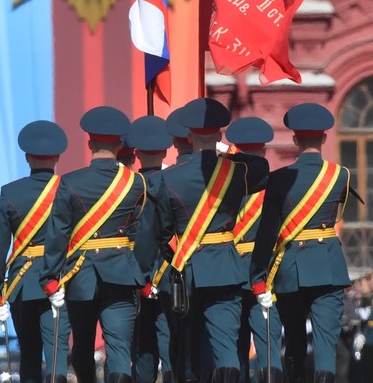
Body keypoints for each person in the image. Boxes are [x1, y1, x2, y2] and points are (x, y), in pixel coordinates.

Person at [134, 98, 270, 383]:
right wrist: (226, 154)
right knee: (227, 350)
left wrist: (146, 273)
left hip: (186, 272)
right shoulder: (236, 172)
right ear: (220, 136)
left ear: (187, 136)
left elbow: (157, 233)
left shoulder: (165, 180)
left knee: (188, 348)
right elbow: (262, 169)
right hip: (226, 268)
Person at [40, 106, 147, 383]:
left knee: (83, 347)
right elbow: (141, 231)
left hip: (80, 275)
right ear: (119, 143)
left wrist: (51, 276)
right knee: (120, 349)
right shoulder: (136, 184)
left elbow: (58, 233)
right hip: (122, 273)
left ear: (89, 143)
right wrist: (143, 273)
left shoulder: (69, 182)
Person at [249, 103, 349, 383]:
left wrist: (258, 276)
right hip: (329, 265)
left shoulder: (278, 179)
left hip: (291, 267)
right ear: (324, 138)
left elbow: (268, 232)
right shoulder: (341, 175)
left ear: (294, 139)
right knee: (326, 344)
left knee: (293, 342)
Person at [0, 119, 71, 383]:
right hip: (61, 280)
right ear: (57, 157)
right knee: (57, 352)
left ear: (26, 157)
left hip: (22, 284)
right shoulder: (69, 189)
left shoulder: (10, 193)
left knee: (29, 355)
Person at [225, 116, 282, 383]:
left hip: (228, 269)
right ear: (263, 151)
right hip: (266, 273)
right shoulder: (275, 187)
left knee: (231, 350)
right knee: (268, 348)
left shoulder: (219, 188)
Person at [128, 115, 175, 383]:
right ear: (166, 151)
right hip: (172, 277)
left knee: (143, 351)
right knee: (171, 346)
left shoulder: (126, 188)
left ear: (135, 154)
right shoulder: (175, 183)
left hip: (135, 278)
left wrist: (141, 277)